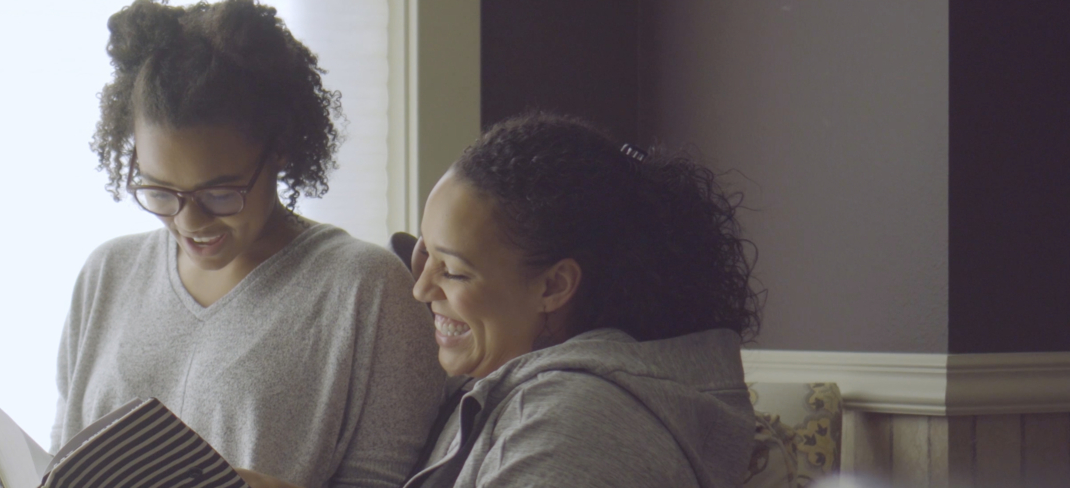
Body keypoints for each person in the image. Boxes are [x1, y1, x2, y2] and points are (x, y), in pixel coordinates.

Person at [239, 113, 760, 488]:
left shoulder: (575, 424)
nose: (420, 289)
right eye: (423, 254)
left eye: (456, 272)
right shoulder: (524, 393)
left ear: (553, 286)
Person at [52, 1, 447, 487]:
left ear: (278, 149)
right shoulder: (106, 274)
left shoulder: (366, 290)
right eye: (159, 191)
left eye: (220, 193)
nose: (189, 220)